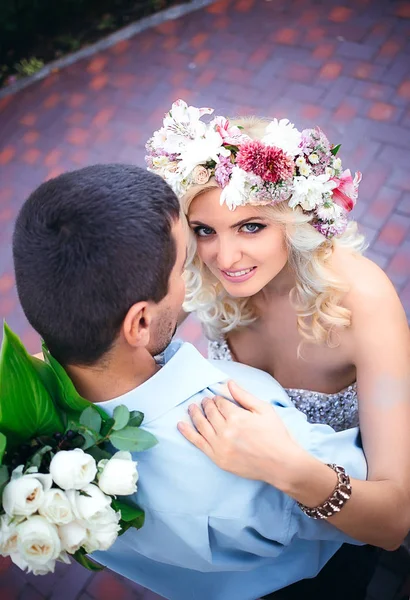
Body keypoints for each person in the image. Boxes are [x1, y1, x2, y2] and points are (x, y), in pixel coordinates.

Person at [13, 163, 369, 600]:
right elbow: (378, 508)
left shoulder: (23, 437)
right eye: (184, 269)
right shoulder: (249, 426)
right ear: (140, 321)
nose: (210, 267)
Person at [146, 100, 410, 552]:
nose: (224, 259)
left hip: (335, 531)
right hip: (244, 521)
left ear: (296, 220)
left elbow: (393, 520)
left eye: (250, 227)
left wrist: (284, 467)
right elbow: (132, 336)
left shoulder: (365, 303)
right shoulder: (202, 270)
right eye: (205, 230)